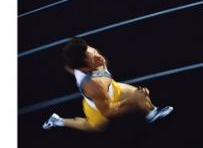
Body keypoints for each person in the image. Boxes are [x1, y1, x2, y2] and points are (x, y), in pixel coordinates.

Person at [42, 37, 173, 131]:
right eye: (92, 58)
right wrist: (131, 100)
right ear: (84, 68)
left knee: (140, 96)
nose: (98, 56)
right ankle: (59, 121)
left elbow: (69, 66)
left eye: (92, 51)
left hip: (111, 87)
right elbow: (108, 112)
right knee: (93, 126)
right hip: (98, 107)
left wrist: (100, 66)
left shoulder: (81, 58)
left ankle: (152, 113)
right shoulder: (93, 86)